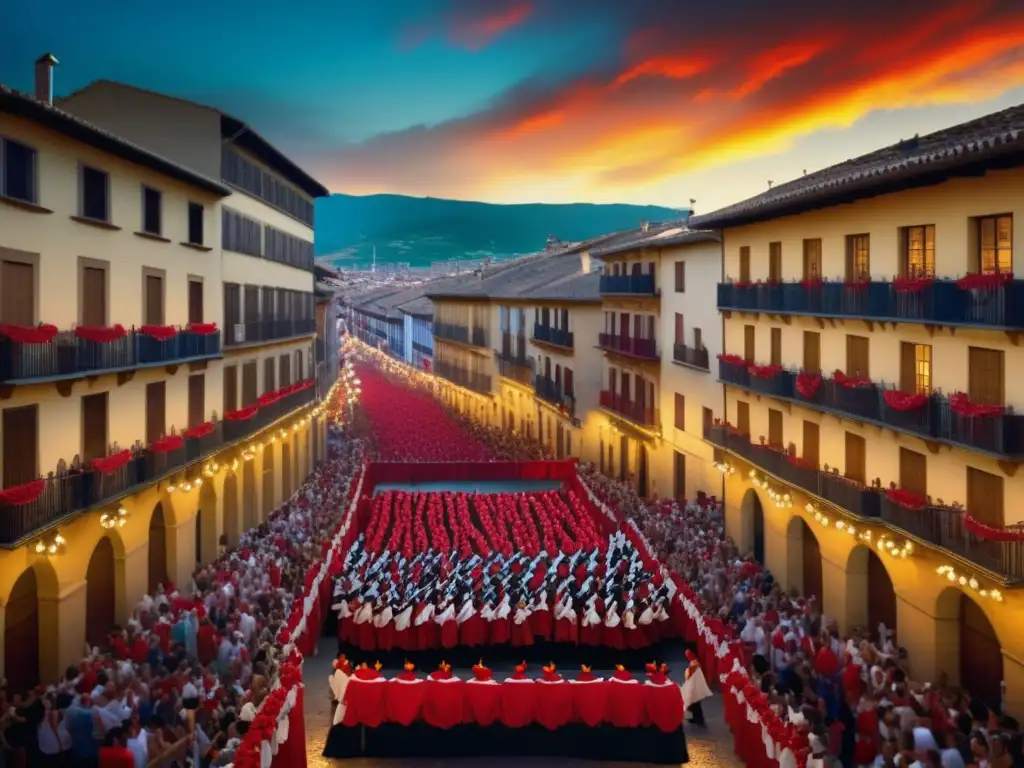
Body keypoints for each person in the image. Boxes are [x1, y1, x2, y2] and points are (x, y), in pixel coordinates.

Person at [682, 650, 711, 728]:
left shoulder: (693, 665)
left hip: (693, 689)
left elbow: (690, 678)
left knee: (695, 706)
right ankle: (696, 719)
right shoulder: (695, 663)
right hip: (695, 688)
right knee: (695, 705)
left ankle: (699, 721)